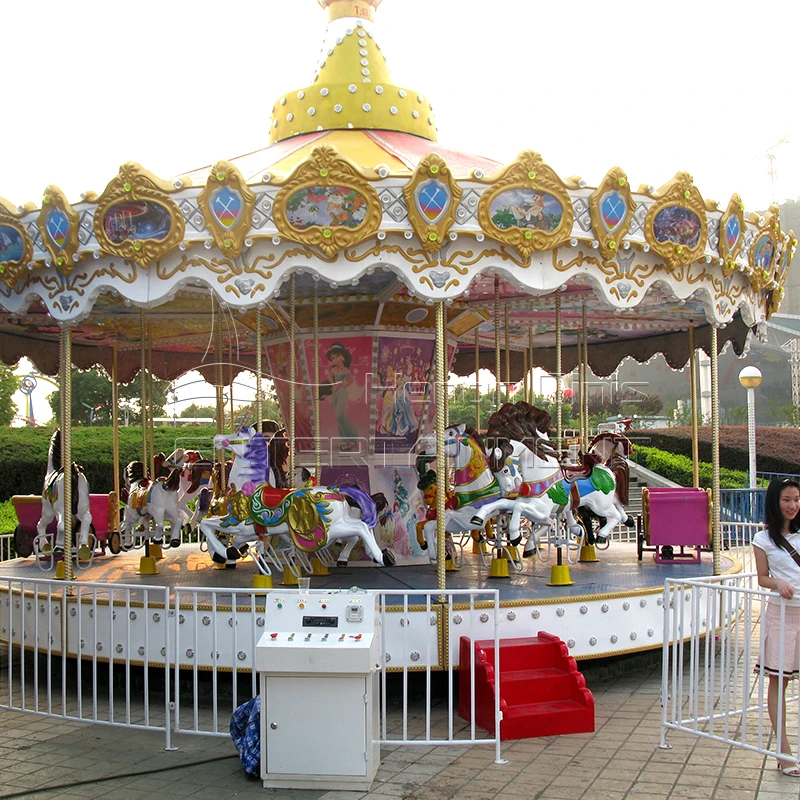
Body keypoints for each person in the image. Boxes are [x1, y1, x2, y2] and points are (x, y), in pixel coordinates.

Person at [753, 476, 800, 777]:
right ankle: (783, 752)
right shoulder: (763, 539)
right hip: (782, 616)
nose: (793, 505)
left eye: (796, 499)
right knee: (778, 682)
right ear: (775, 502)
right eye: (787, 500)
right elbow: (762, 578)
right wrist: (778, 582)